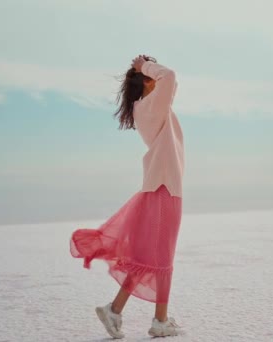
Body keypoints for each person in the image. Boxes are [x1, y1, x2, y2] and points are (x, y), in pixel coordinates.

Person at [69, 54, 185, 338]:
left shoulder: (145, 107)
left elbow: (171, 84)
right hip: (165, 188)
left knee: (149, 256)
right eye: (150, 75)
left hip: (159, 187)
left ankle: (117, 310)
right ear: (147, 81)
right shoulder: (154, 105)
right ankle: (159, 321)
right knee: (162, 258)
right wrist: (143, 66)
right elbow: (169, 77)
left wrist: (143, 69)